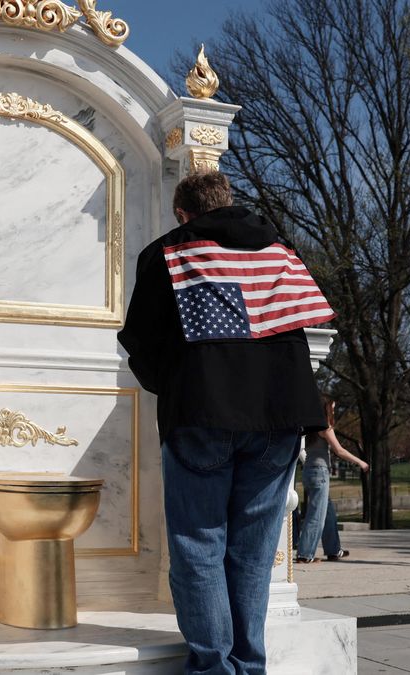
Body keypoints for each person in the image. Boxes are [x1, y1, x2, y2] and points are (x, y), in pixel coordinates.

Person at [118, 171, 333, 674]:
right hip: (279, 417)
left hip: (202, 412)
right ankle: (249, 666)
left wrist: (170, 385)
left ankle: (215, 669)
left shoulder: (169, 252)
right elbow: (298, 326)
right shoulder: (279, 250)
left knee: (199, 548)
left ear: (183, 212)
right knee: (254, 554)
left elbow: (140, 343)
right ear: (228, 202)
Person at [296, 397, 369, 563]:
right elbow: (339, 450)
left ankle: (333, 550)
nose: (334, 412)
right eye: (332, 409)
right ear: (326, 410)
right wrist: (361, 462)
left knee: (327, 512)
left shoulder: (308, 427)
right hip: (320, 472)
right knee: (317, 515)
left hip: (309, 470)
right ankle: (305, 554)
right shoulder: (324, 427)